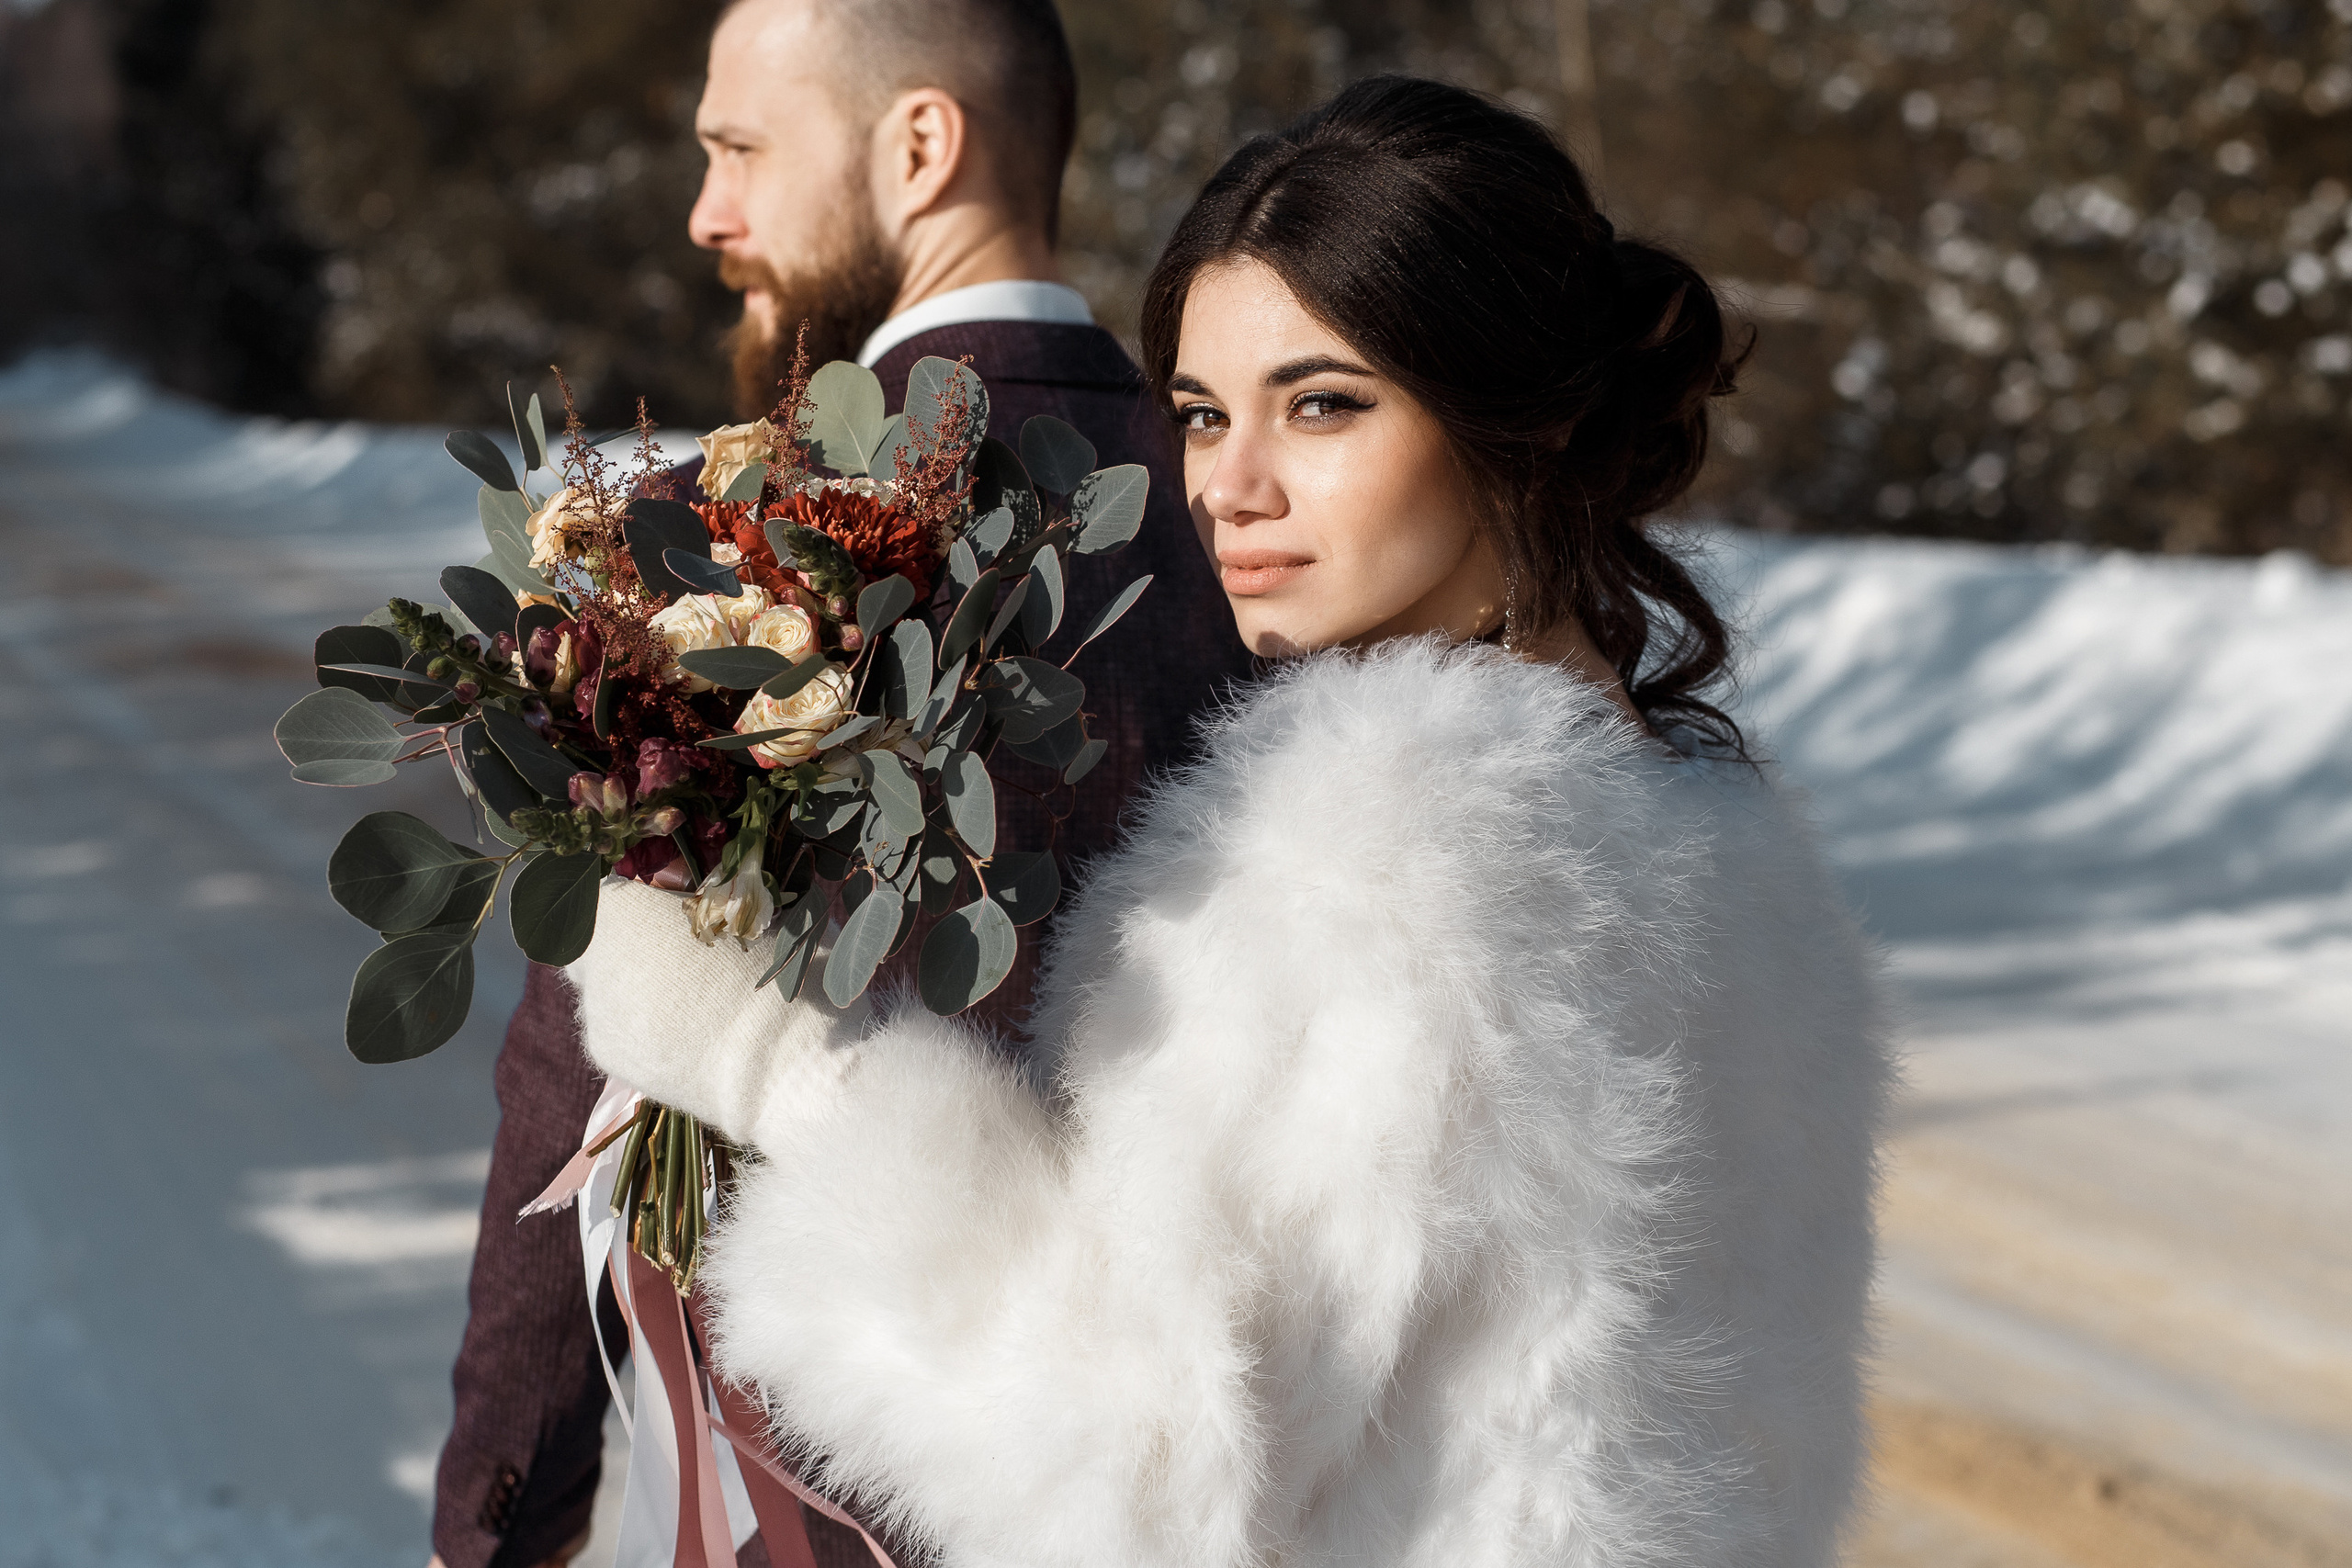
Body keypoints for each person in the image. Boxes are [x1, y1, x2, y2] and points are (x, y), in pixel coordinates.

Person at [565, 74, 1890, 1568]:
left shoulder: (1394, 846)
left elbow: (1131, 1463)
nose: (1228, 486)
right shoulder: (1711, 834)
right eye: (1201, 413)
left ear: (1513, 416)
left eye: (1324, 404)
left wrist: (772, 1065)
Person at [426, 3, 1252, 1564]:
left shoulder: (708, 558)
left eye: (739, 149)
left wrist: (497, 1525)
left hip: (822, 1509)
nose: (706, 214)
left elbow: (571, 1087)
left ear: (918, 146)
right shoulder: (1263, 522)